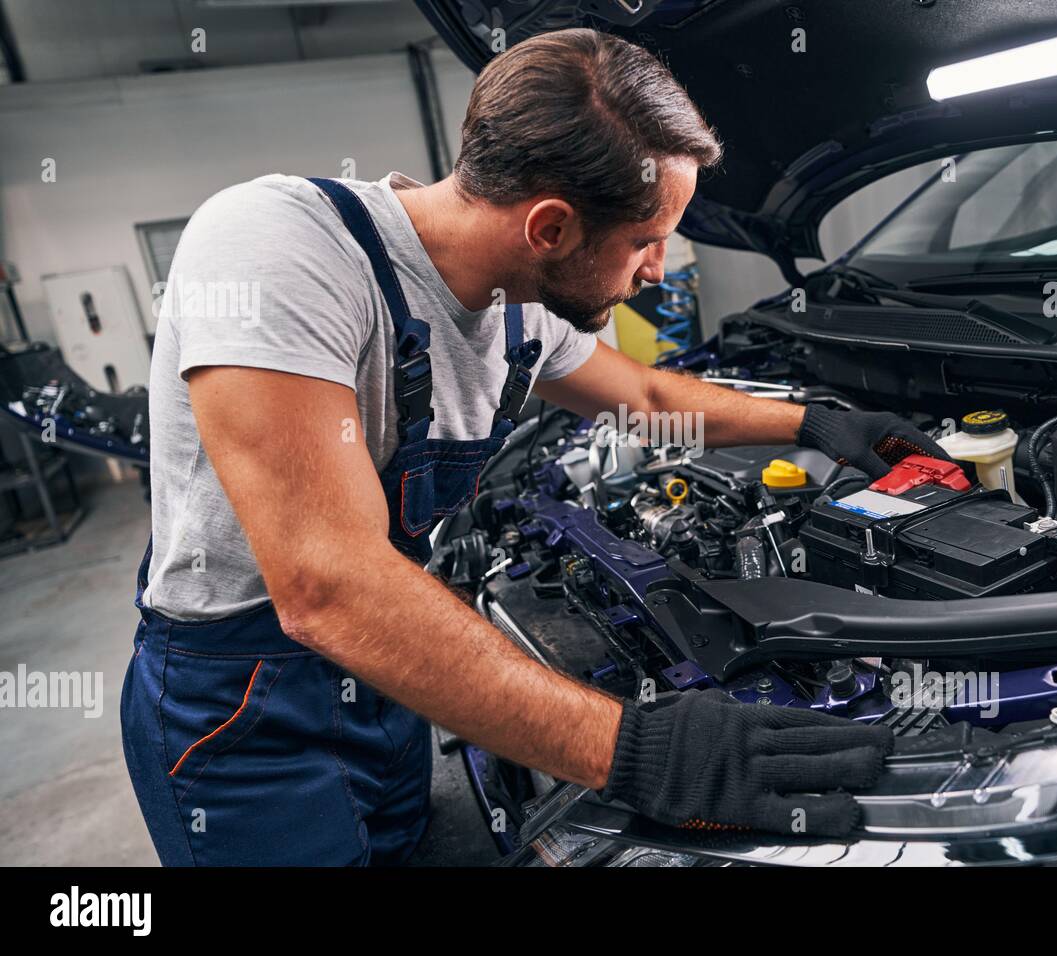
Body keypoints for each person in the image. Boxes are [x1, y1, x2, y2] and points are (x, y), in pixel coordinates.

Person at [120, 27, 947, 865]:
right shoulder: (278, 245)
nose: (658, 269)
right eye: (643, 241)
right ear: (550, 227)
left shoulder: (520, 305)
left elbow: (650, 398)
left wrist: (814, 423)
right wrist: (641, 751)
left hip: (382, 678)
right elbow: (326, 586)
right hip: (243, 710)